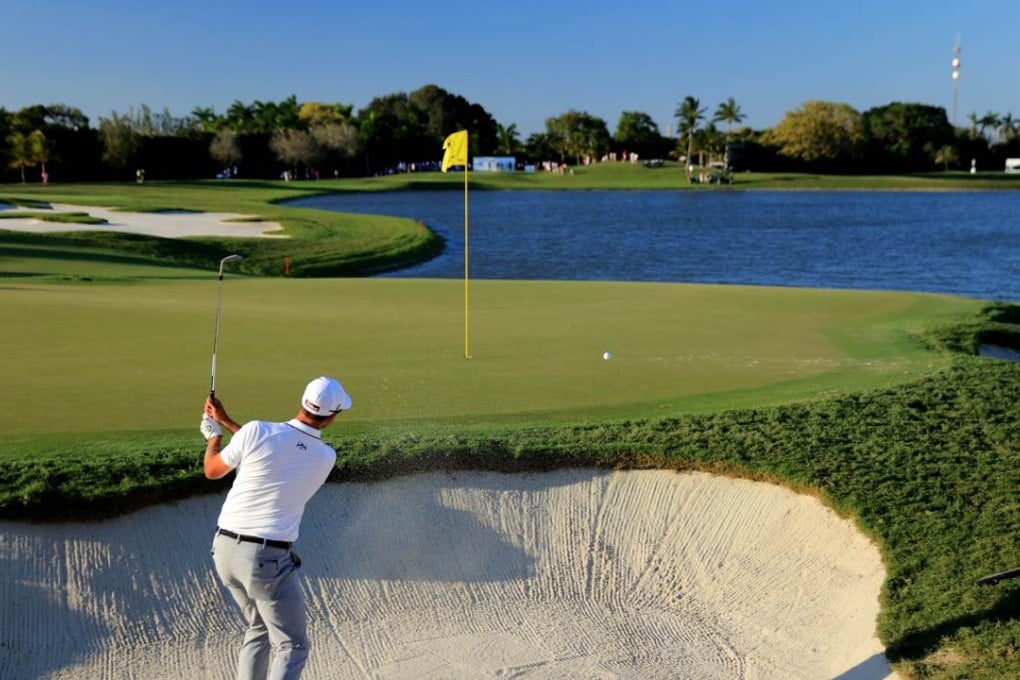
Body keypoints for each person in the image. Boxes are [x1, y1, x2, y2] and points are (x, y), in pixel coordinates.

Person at [200, 376, 352, 680]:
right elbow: (283, 451)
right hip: (266, 560)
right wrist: (225, 423)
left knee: (257, 628)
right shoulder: (325, 457)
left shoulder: (256, 430)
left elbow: (213, 469)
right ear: (331, 417)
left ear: (303, 401)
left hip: (224, 551)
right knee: (292, 645)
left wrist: (213, 434)